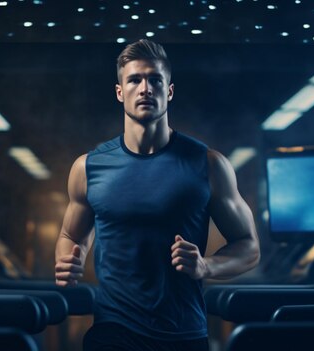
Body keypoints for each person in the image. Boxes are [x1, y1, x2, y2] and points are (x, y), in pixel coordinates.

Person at [55, 39, 260, 351]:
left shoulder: (209, 164)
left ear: (169, 91)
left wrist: (206, 266)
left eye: (155, 79)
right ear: (120, 92)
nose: (145, 88)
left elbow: (249, 247)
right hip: (112, 331)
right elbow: (71, 234)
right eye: (135, 80)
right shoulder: (88, 167)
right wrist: (70, 258)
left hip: (183, 333)